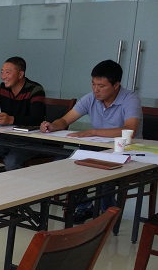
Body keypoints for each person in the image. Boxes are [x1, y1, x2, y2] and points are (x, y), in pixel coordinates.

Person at [40, 59, 142, 222]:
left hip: (126, 152)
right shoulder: (90, 98)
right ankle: (84, 207)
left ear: (116, 85)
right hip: (97, 148)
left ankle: (107, 215)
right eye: (93, 84)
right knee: (65, 163)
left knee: (104, 171)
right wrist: (52, 126)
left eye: (101, 86)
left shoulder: (130, 99)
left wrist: (93, 132)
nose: (96, 90)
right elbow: (65, 120)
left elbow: (129, 130)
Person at [0, 57, 46, 177]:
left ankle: (14, 189)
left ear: (20, 74)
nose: (3, 76)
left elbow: (37, 118)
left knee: (11, 162)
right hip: (6, 137)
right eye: (2, 72)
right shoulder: (1, 88)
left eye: (7, 72)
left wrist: (11, 119)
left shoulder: (35, 89)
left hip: (30, 139)